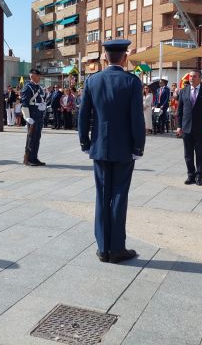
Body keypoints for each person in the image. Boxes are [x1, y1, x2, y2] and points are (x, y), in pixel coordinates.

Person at [78, 39, 145, 264]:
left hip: (98, 147)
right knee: (119, 196)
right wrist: (138, 146)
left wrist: (84, 142)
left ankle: (103, 248)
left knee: (102, 196)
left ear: (105, 57)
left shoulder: (92, 80)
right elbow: (137, 117)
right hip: (124, 148)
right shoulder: (132, 82)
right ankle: (116, 249)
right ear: (125, 57)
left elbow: (83, 114)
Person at [176, 70, 202, 186]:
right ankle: (190, 175)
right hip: (186, 128)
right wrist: (179, 126)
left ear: (200, 78)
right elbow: (180, 111)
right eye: (190, 76)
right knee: (188, 154)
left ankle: (199, 176)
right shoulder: (183, 91)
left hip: (201, 128)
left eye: (194, 76)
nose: (191, 78)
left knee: (200, 154)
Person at [21, 68, 47, 166]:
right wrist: (27, 117)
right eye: (38, 75)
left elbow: (41, 99)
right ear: (32, 76)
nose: (40, 77)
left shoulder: (39, 87)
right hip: (32, 115)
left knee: (37, 137)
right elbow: (24, 103)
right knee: (31, 137)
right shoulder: (28, 87)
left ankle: (34, 157)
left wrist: (43, 105)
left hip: (39, 114)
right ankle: (28, 159)